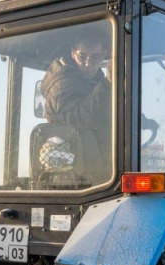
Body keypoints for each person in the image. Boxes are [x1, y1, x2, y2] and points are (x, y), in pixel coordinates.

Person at [40, 32, 113, 184]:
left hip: (96, 166)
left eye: (95, 57)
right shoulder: (62, 84)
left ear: (104, 55)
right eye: (82, 56)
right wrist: (107, 84)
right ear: (73, 54)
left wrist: (140, 121)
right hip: (72, 175)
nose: (88, 63)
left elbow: (108, 109)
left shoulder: (94, 81)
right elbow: (76, 119)